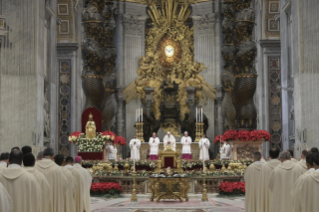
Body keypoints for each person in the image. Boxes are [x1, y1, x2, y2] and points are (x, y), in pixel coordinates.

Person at [35, 147, 68, 212]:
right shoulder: (57, 169)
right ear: (53, 156)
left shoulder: (34, 166)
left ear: (43, 155)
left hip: (37, 201)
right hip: (52, 201)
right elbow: (65, 184)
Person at [258, 148, 281, 212]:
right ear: (278, 155)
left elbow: (262, 182)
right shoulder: (282, 165)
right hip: (280, 193)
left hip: (267, 192)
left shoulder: (264, 166)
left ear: (269, 155)